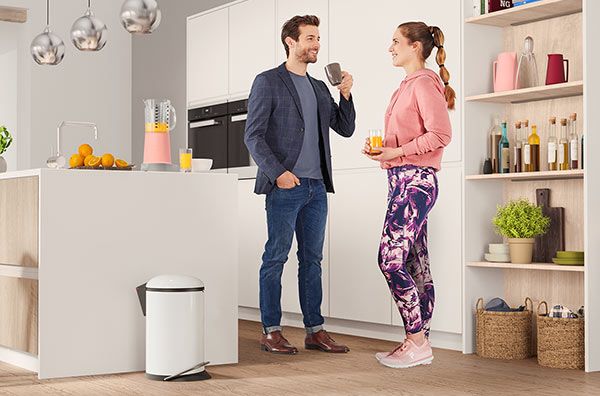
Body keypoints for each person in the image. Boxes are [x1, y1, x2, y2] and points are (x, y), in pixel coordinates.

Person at [244, 15, 356, 355]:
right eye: (310, 38)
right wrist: (278, 172)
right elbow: (253, 135)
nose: (316, 44)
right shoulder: (268, 81)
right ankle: (271, 330)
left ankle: (314, 330)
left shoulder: (321, 88)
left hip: (317, 187)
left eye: (318, 38)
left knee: (312, 260)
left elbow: (345, 128)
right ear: (290, 42)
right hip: (285, 186)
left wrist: (347, 96)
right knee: (276, 257)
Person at [363, 22, 454, 368]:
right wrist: (385, 152)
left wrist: (396, 153)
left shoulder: (424, 84)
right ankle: (419, 342)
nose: (390, 48)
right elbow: (410, 139)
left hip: (416, 182)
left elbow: (441, 134)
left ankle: (417, 341)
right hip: (402, 181)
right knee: (415, 263)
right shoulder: (407, 85)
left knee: (390, 259)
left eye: (396, 42)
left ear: (415, 47)